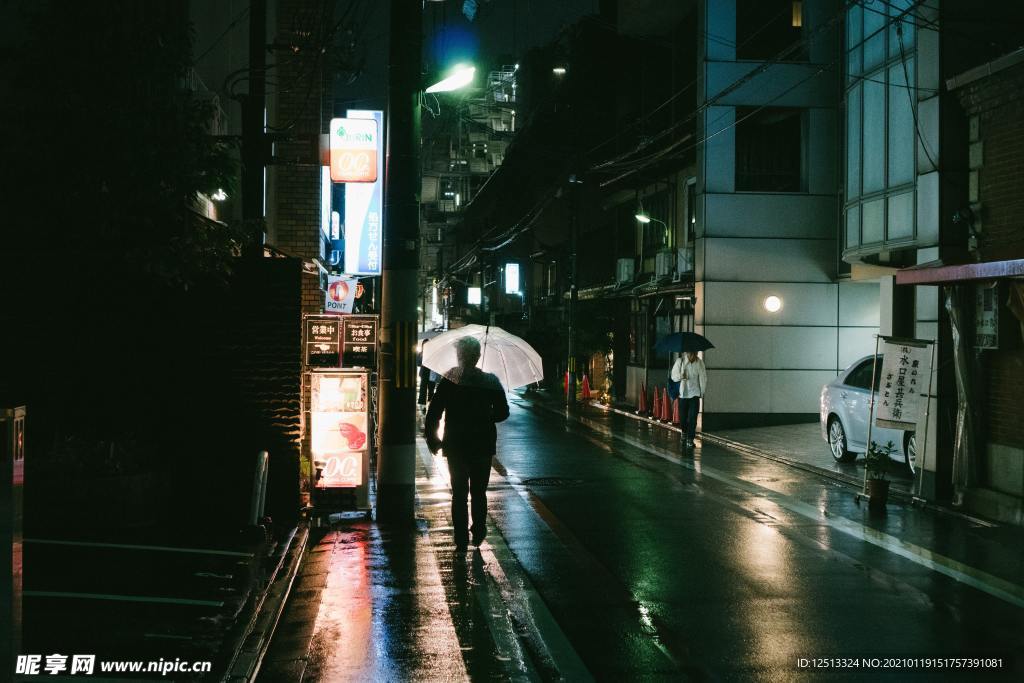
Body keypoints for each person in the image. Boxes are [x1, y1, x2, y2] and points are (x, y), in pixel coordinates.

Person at [425, 336, 509, 551]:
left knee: (459, 493)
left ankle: (461, 538)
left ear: (459, 356)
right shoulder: (490, 381)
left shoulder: (450, 379)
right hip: (482, 444)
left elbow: (434, 412)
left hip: (456, 444)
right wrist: (486, 415)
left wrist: (433, 439)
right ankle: (479, 531)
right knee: (478, 492)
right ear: (478, 356)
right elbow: (502, 413)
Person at [670, 351, 707, 447]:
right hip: (683, 394)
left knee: (692, 418)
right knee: (683, 418)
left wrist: (702, 392)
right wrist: (681, 376)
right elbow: (673, 376)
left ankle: (690, 439)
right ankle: (684, 433)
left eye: (695, 354)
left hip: (694, 394)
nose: (693, 356)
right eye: (691, 354)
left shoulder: (699, 363)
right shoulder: (680, 361)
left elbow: (703, 378)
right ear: (687, 353)